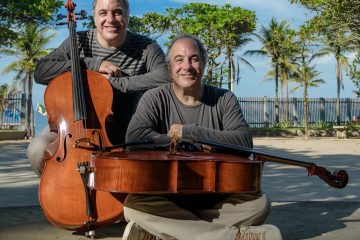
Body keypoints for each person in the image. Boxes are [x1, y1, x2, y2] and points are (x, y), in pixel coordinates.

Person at [122, 35, 282, 240]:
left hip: (218, 199)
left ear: (204, 65)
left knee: (260, 204)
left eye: (194, 59)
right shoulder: (154, 97)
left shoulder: (224, 98)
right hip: (167, 197)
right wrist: (176, 141)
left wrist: (190, 132)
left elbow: (244, 142)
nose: (186, 66)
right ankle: (233, 237)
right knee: (133, 206)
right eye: (179, 60)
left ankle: (161, 232)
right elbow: (134, 139)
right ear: (170, 67)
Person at [26, 0, 171, 176]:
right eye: (103, 13)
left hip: (125, 130)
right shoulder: (78, 40)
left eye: (117, 12)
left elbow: (166, 76)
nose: (110, 19)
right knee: (37, 150)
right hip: (73, 127)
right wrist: (91, 64)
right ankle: (60, 192)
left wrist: (115, 83)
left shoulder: (146, 47)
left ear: (127, 16)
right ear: (94, 18)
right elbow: (41, 71)